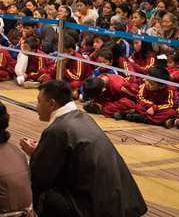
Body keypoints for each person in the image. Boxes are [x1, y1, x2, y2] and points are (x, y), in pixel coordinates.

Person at [19, 81, 147, 217]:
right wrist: (42, 152)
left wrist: (36, 155)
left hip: (95, 209)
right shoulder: (84, 117)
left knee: (31, 187)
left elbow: (41, 177)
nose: (37, 106)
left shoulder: (57, 129)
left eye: (39, 101)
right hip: (124, 203)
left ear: (51, 104)